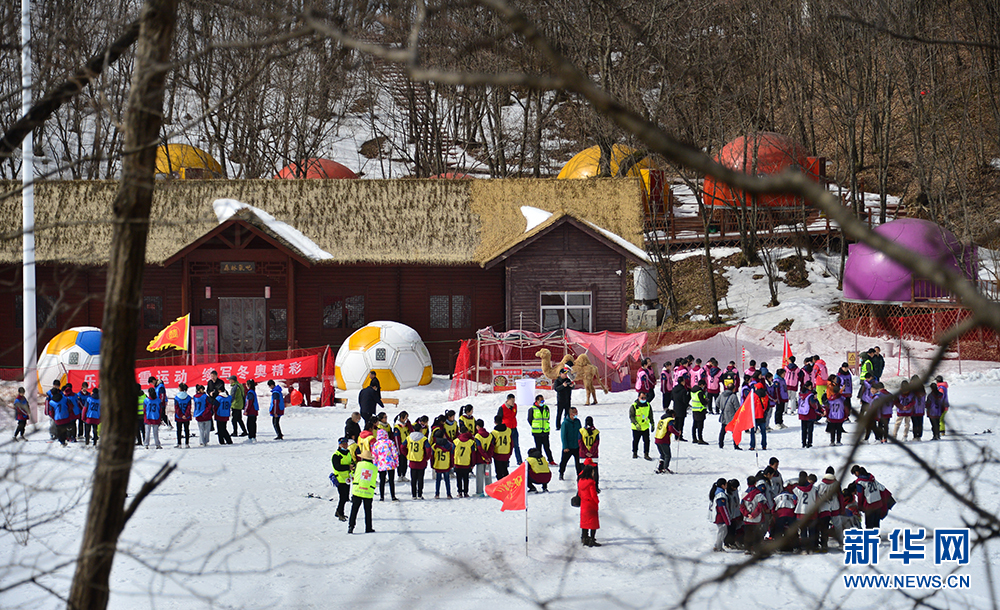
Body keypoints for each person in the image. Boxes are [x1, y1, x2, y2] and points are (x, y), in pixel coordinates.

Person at [348, 448, 377, 534]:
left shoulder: (358, 465)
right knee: (368, 510)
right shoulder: (374, 468)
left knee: (354, 510)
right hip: (368, 491)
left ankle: (351, 526)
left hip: (358, 490)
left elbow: (354, 474)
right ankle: (368, 527)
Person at [740, 477, 770, 552]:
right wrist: (754, 515)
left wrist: (747, 514)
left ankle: (747, 549)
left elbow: (742, 507)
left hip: (747, 519)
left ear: (747, 484)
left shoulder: (744, 494)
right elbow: (760, 506)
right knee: (757, 534)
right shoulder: (759, 494)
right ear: (755, 483)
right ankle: (756, 548)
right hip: (757, 519)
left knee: (747, 534)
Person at [792, 471, 819, 551]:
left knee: (803, 531)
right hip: (811, 513)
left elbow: (794, 501)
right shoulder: (814, 489)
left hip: (801, 513)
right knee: (811, 531)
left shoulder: (796, 489)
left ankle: (804, 548)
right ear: (807, 478)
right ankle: (811, 547)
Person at [372, 428, 400, 502]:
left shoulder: (376, 444)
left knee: (382, 481)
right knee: (391, 481)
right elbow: (395, 453)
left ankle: (382, 496)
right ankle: (393, 496)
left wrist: (375, 465)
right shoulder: (390, 442)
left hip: (381, 465)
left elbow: (374, 456)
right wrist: (396, 462)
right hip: (390, 464)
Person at [331, 437, 355, 521]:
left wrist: (352, 471)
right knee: (343, 497)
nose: (345, 445)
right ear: (339, 444)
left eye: (346, 444)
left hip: (347, 479)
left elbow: (351, 462)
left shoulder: (348, 453)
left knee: (346, 497)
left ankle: (339, 511)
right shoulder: (336, 455)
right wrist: (348, 467)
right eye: (343, 444)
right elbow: (337, 467)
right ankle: (340, 512)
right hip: (340, 479)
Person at [578, 463, 601, 547]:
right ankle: (592, 539)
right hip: (591, 504)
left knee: (584, 522)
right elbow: (593, 495)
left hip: (584, 504)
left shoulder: (580, 481)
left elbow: (580, 493)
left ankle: (584, 537)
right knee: (593, 522)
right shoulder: (591, 483)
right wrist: (597, 501)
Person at [527, 395, 555, 464]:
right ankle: (539, 461)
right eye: (541, 400)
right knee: (538, 448)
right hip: (537, 432)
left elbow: (547, 418)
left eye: (543, 400)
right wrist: (535, 426)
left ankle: (551, 460)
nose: (542, 402)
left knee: (547, 447)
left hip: (545, 431)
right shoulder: (532, 409)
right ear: (537, 401)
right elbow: (529, 419)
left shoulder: (546, 408)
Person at [497, 394, 522, 464]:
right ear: (508, 400)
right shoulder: (502, 408)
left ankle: (519, 460)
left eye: (514, 401)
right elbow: (499, 419)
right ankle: (506, 461)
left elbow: (514, 414)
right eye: (512, 401)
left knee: (516, 445)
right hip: (506, 430)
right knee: (507, 446)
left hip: (514, 428)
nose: (513, 403)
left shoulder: (515, 406)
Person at [653, 408, 681, 473]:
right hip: (663, 439)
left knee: (662, 454)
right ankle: (665, 468)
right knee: (667, 455)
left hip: (657, 438)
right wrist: (677, 433)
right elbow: (671, 429)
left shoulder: (662, 420)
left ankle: (660, 467)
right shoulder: (670, 420)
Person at [407, 427, 431, 499]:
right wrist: (426, 458)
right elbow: (428, 449)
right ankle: (420, 494)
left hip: (412, 460)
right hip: (421, 461)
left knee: (413, 479)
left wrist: (407, 454)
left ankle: (414, 495)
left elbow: (402, 446)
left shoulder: (409, 437)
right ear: (420, 430)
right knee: (420, 479)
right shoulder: (424, 438)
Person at [629, 392, 653, 460]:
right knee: (636, 440)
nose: (644, 399)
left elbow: (650, 415)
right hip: (636, 427)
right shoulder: (634, 405)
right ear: (638, 397)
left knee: (647, 441)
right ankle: (635, 453)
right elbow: (631, 416)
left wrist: (652, 423)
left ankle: (646, 454)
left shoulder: (648, 405)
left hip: (645, 426)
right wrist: (636, 423)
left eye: (645, 398)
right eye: (642, 398)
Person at [559, 407, 582, 480]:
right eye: (575, 413)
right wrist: (565, 446)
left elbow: (581, 433)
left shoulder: (578, 422)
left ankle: (579, 475)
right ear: (571, 414)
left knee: (578, 463)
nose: (576, 414)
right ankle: (561, 473)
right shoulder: (565, 423)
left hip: (577, 446)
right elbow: (563, 436)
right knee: (564, 461)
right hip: (568, 447)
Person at [717, 378, 741, 450]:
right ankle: (736, 445)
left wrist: (721, 408)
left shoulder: (722, 395)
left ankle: (721, 444)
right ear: (733, 389)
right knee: (735, 431)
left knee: (723, 430)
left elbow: (717, 402)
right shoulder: (733, 396)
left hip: (724, 415)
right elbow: (737, 407)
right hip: (732, 417)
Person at [453, 424, 476, 497]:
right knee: (466, 479)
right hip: (467, 463)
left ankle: (459, 492)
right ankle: (466, 492)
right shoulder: (470, 442)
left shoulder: (456, 441)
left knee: (459, 479)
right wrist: (473, 464)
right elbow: (473, 453)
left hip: (458, 463)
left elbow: (452, 452)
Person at [578, 416, 600, 491]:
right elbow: (596, 443)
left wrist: (586, 452)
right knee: (595, 471)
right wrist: (591, 452)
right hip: (594, 455)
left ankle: (583, 485)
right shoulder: (596, 431)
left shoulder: (581, 431)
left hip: (583, 455)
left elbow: (580, 442)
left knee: (583, 471)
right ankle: (596, 486)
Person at [747, 375, 768, 451]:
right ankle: (764, 445)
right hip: (762, 416)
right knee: (763, 432)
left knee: (753, 432)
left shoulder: (753, 395)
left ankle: (752, 445)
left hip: (754, 416)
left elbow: (749, 405)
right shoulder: (766, 396)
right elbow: (767, 406)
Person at [431, 428, 454, 499]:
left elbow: (432, 457)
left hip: (438, 465)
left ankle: (437, 494)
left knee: (438, 481)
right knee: (447, 480)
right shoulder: (449, 445)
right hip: (446, 465)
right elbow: (452, 456)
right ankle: (449, 494)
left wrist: (432, 465)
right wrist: (451, 465)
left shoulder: (434, 446)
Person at [825, 375, 847, 446]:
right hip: (840, 415)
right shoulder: (842, 399)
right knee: (839, 429)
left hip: (832, 415)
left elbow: (827, 408)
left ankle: (832, 441)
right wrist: (846, 415)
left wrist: (827, 416)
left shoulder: (830, 400)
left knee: (832, 429)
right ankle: (838, 441)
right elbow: (845, 408)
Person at [473, 419, 494, 496]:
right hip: (488, 460)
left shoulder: (477, 436)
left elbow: (479, 448)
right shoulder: (490, 435)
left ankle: (479, 492)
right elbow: (492, 447)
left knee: (480, 476)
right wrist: (488, 456)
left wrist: (484, 456)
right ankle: (489, 492)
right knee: (488, 476)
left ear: (477, 426)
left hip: (480, 459)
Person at [797, 380, 820, 448]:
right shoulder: (810, 394)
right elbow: (813, 405)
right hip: (809, 413)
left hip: (802, 413)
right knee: (810, 429)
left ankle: (803, 442)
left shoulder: (800, 393)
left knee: (803, 429)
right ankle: (809, 442)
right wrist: (815, 401)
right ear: (809, 386)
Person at [711, 478, 731, 552]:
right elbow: (722, 509)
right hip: (720, 517)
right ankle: (718, 547)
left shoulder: (718, 492)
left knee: (721, 532)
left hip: (718, 516)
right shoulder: (721, 495)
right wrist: (727, 520)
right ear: (722, 485)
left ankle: (717, 545)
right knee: (722, 532)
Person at [491, 414, 514, 479]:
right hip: (506, 453)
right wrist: (510, 453)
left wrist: (492, 454)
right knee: (505, 470)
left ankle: (500, 486)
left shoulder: (494, 433)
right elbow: (511, 443)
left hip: (497, 454)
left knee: (499, 472)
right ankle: (507, 485)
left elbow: (492, 445)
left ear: (495, 422)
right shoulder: (508, 430)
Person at [393, 412, 413, 482]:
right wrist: (398, 449)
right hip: (400, 448)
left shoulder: (406, 425)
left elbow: (411, 432)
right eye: (405, 417)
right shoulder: (397, 427)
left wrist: (409, 424)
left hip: (407, 447)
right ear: (401, 418)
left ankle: (404, 475)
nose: (406, 419)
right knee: (400, 462)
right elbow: (397, 439)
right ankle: (399, 475)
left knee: (405, 462)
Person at [689, 378, 709, 444]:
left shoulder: (692, 391)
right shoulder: (700, 392)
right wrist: (706, 401)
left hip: (694, 409)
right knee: (700, 426)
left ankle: (694, 438)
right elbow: (702, 401)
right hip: (700, 410)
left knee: (694, 425)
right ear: (702, 385)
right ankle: (700, 439)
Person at [173, 383, 192, 448]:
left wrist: (181, 415)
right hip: (187, 417)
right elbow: (189, 407)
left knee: (179, 430)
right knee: (186, 429)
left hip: (179, 417)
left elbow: (176, 408)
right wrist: (185, 415)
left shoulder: (176, 398)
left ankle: (179, 443)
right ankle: (187, 443)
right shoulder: (188, 397)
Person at [910, 376, 926, 440]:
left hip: (914, 408)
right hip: (921, 407)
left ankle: (915, 436)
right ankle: (919, 436)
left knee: (915, 423)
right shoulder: (922, 388)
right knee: (920, 422)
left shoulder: (912, 389)